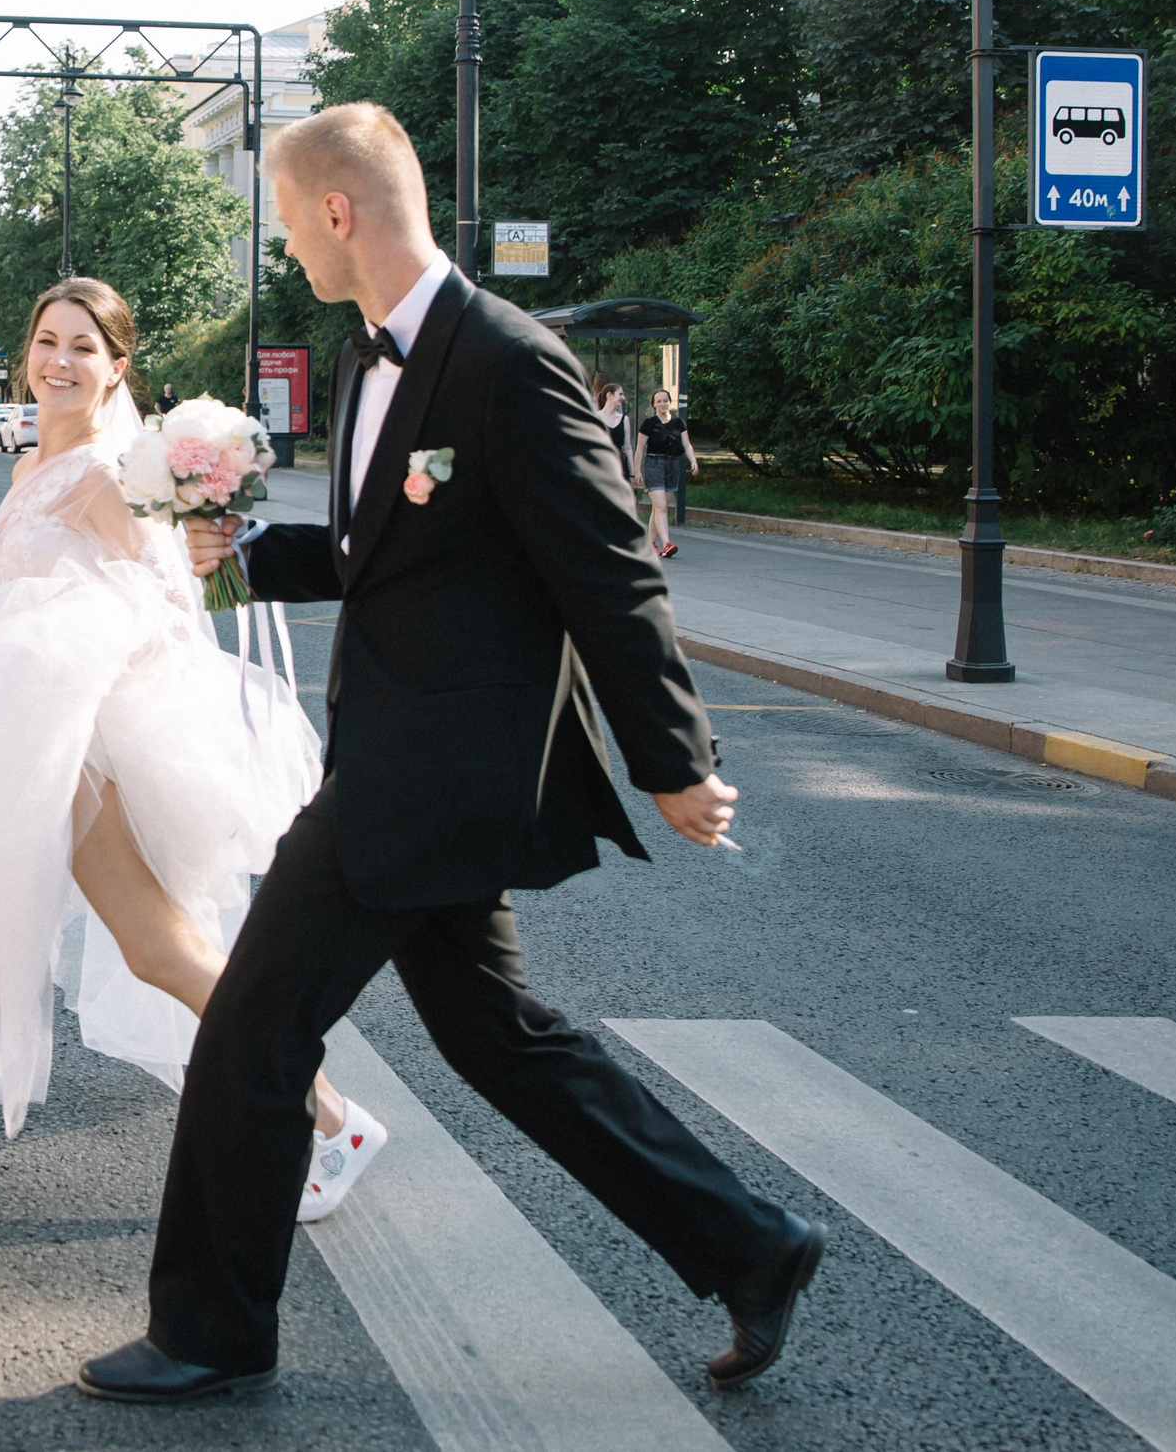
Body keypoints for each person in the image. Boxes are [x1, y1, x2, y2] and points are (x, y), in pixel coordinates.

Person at [77, 103, 824, 1405]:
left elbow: (609, 574)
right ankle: (750, 1244)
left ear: (338, 211)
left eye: (287, 219)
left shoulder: (507, 361)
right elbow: (381, 556)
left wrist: (673, 757)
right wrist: (245, 556)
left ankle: (211, 1327)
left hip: (426, 781)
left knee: (252, 1029)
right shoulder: (368, 359)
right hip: (402, 765)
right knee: (500, 1038)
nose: (285, 244)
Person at [0, 278, 382, 1213]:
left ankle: (332, 1119)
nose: (59, 361)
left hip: (76, 747)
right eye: (47, 340)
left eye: (82, 347)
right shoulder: (34, 462)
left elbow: (167, 600)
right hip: (14, 737)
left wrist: (52, 655)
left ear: (115, 369)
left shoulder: (106, 475)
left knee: (159, 949)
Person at [638, 387, 698, 557]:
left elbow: (686, 444)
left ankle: (650, 544)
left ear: (670, 402)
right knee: (661, 507)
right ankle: (667, 543)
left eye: (665, 400)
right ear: (654, 404)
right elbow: (640, 449)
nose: (663, 404)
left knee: (658, 508)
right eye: (659, 401)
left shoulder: (678, 423)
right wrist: (637, 470)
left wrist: (693, 460)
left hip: (673, 465)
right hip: (653, 464)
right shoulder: (649, 424)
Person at [595, 380, 634, 491]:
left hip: (619, 467)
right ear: (609, 395)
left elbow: (627, 448)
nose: (623, 398)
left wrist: (632, 473)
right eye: (620, 394)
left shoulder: (624, 419)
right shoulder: (595, 417)